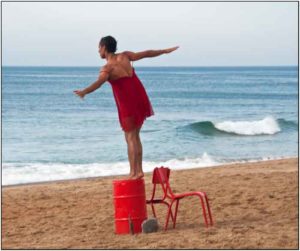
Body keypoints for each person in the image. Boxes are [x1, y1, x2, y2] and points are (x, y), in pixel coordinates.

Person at [74, 35, 179, 179]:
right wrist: (165, 51)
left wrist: (84, 92)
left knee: (130, 137)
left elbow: (99, 82)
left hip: (127, 103)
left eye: (99, 47)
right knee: (135, 136)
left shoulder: (107, 68)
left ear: (104, 47)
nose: (98, 51)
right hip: (140, 97)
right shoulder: (126, 56)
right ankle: (139, 170)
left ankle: (133, 172)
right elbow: (147, 53)